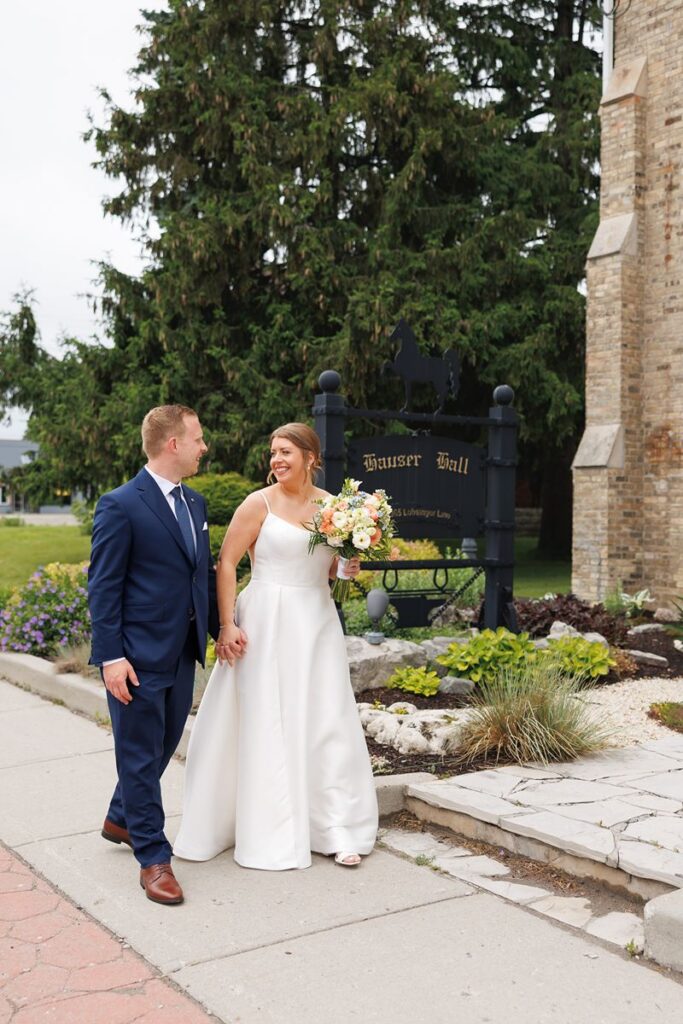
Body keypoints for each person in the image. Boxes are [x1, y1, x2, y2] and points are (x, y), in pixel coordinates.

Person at [174, 422, 378, 870]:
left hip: (316, 622)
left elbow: (329, 572)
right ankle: (260, 825)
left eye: (286, 451)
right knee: (265, 718)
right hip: (264, 618)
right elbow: (226, 564)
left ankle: (334, 826)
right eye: (273, 453)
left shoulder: (336, 508)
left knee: (325, 718)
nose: (277, 460)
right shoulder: (258, 503)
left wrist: (347, 568)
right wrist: (226, 624)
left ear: (311, 457)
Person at [88, 405, 232, 905]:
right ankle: (153, 857)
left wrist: (220, 629)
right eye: (198, 437)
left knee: (161, 747)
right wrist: (110, 657)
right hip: (136, 656)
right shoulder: (120, 504)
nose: (204, 447)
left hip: (181, 653)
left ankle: (120, 816)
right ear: (173, 443)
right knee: (138, 752)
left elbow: (200, 577)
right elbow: (103, 588)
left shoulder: (195, 504)